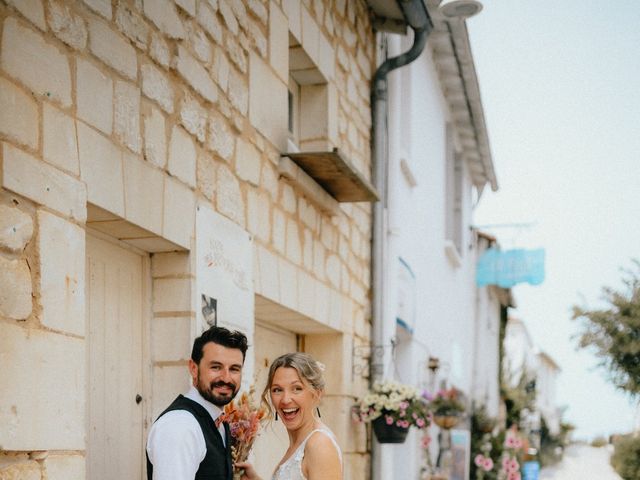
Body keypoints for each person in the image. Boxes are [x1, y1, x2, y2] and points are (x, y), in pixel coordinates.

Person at [146, 326, 249, 480]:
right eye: (216, 367)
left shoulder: (219, 422)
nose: (226, 378)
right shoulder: (180, 425)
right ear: (194, 368)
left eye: (234, 369)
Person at [236, 352, 342, 480]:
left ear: (317, 394)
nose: (285, 400)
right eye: (277, 390)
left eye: (297, 388)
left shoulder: (319, 445)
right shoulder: (300, 443)